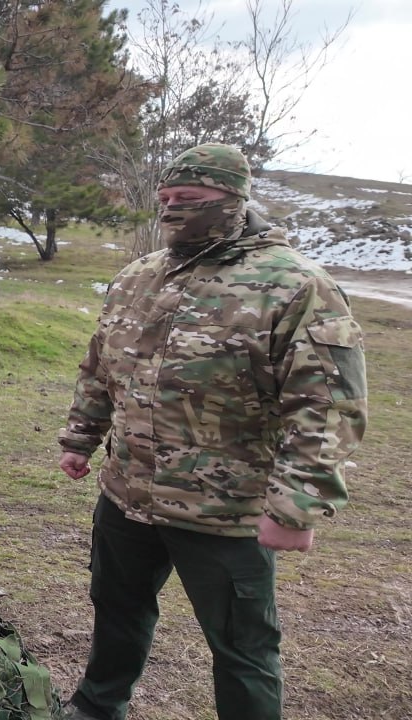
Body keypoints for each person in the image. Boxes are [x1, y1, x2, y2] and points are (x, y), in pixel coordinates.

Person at [57, 143, 367, 720]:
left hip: (224, 512)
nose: (174, 212)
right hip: (126, 495)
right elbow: (101, 366)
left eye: (191, 200)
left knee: (242, 647)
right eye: (167, 200)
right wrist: (81, 437)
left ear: (233, 200)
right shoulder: (138, 277)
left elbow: (328, 405)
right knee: (117, 610)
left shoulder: (294, 285)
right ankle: (97, 709)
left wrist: (295, 508)